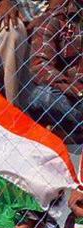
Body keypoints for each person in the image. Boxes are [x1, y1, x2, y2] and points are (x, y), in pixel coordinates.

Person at [27, 0, 83, 140]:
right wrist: (75, 89)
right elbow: (40, 64)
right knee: (41, 96)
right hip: (72, 97)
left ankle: (75, 133)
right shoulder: (57, 19)